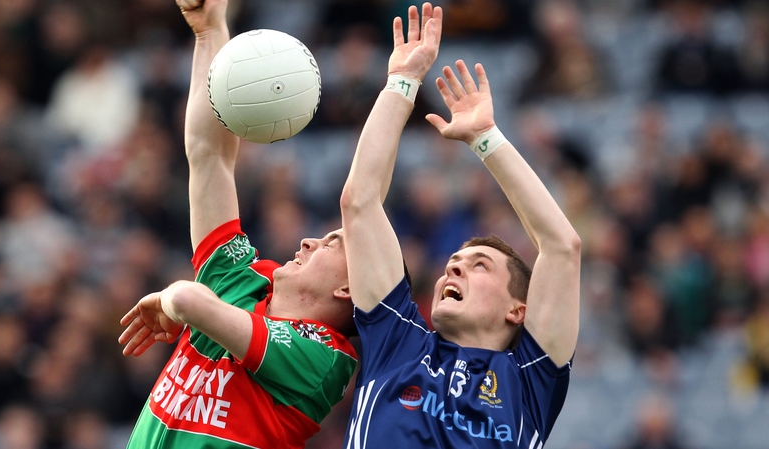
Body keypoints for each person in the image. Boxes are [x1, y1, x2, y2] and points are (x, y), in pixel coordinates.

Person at [116, 0, 358, 447]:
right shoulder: (246, 281)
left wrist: (174, 300)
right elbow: (208, 156)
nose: (308, 241)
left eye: (331, 244)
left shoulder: (324, 358)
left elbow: (190, 301)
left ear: (349, 289)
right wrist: (210, 32)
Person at [339, 4, 581, 448]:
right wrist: (402, 83)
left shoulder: (530, 381)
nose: (453, 269)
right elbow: (360, 203)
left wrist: (485, 138)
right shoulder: (398, 342)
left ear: (517, 311)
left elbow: (562, 246)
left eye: (479, 266)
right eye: (454, 261)